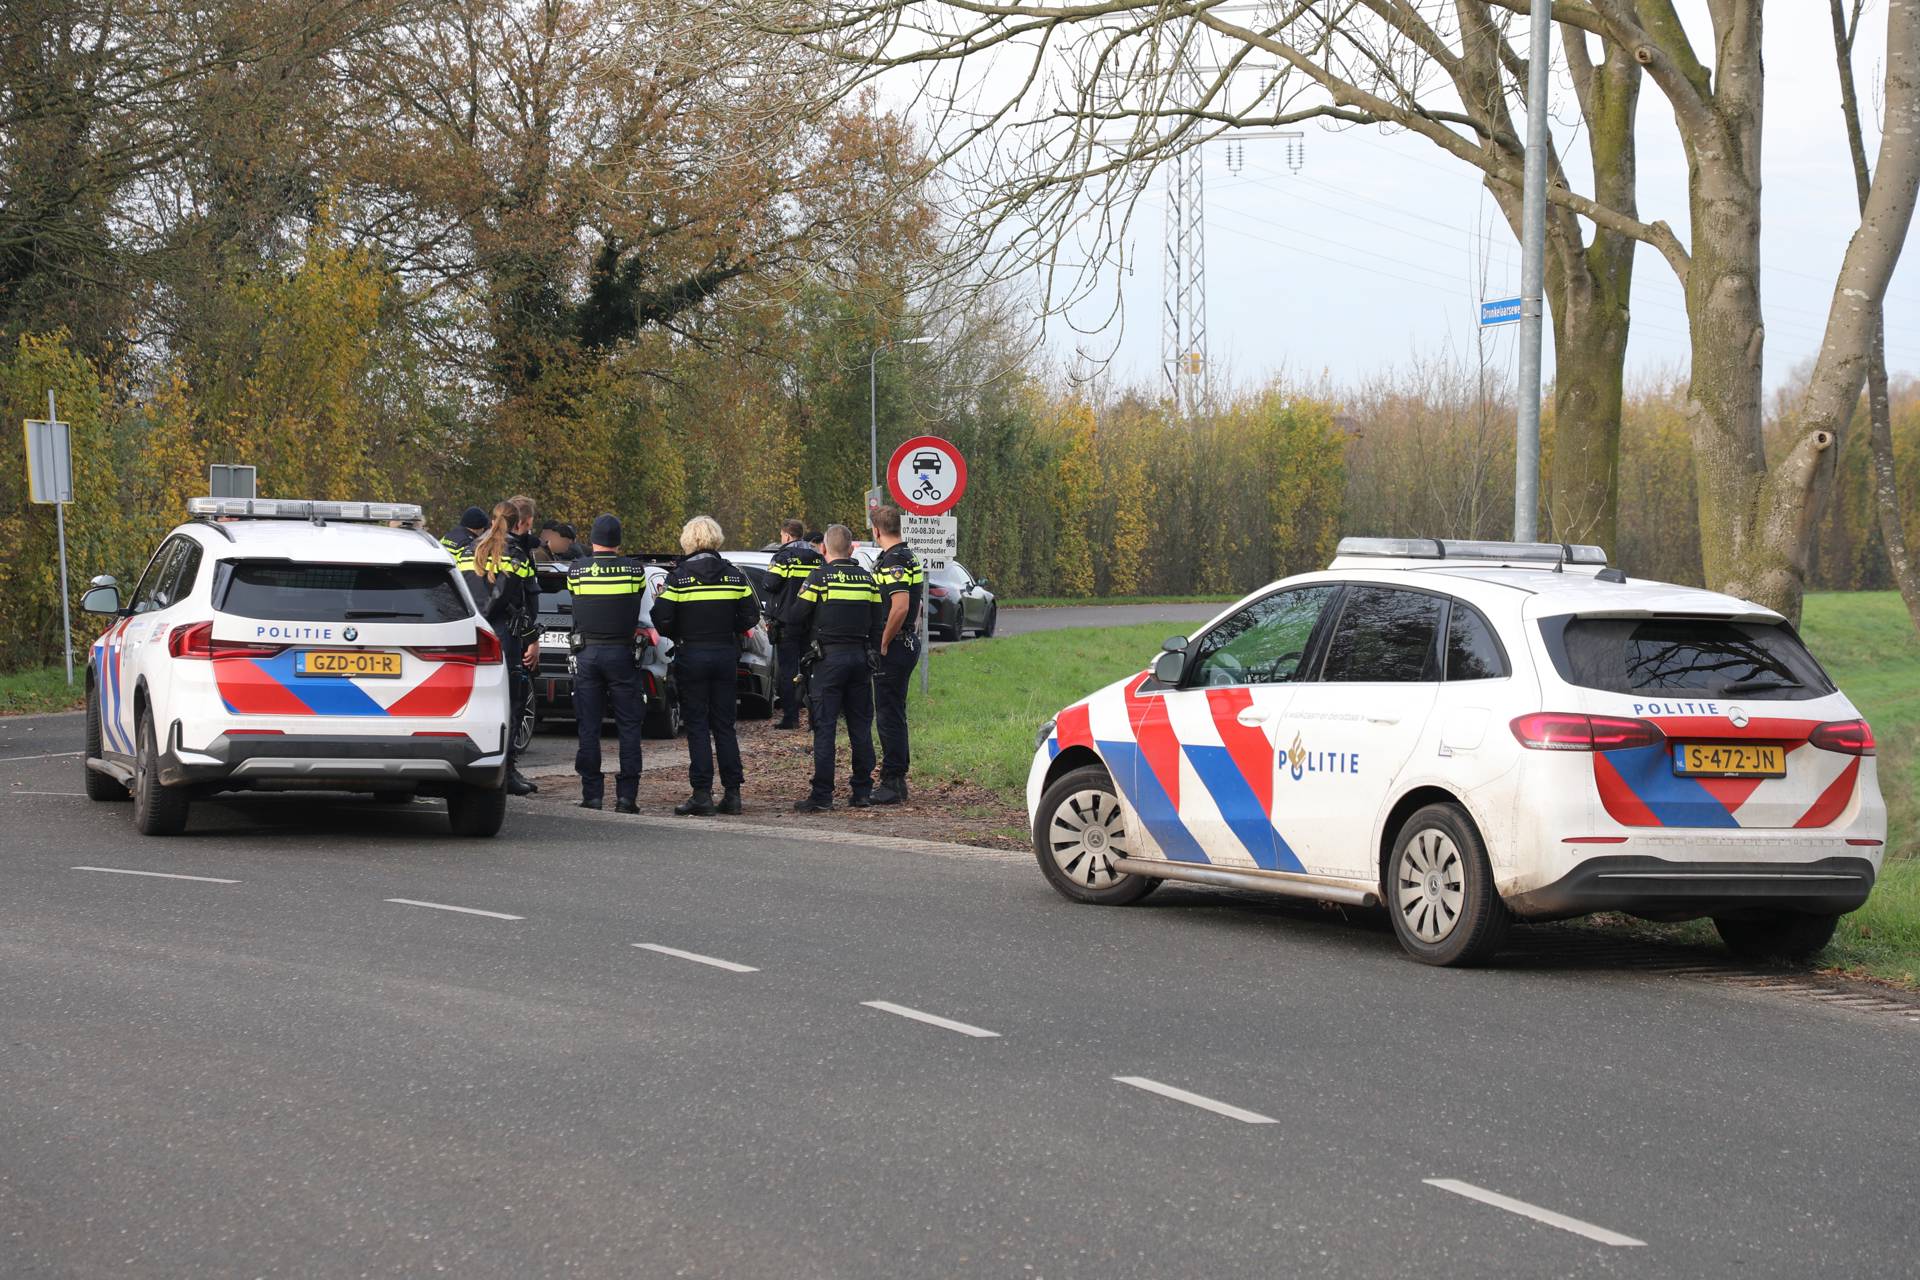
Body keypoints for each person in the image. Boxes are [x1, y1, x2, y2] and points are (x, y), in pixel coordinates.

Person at [652, 516, 759, 816]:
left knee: (697, 726)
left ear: (689, 541)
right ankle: (733, 794)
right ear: (716, 539)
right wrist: (730, 631)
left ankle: (702, 794)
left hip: (692, 655)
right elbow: (751, 616)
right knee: (725, 725)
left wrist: (680, 633)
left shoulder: (679, 577)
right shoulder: (734, 576)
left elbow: (661, 618)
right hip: (725, 655)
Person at [788, 523, 882, 812]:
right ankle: (863, 791)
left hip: (827, 661)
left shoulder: (818, 579)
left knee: (825, 727)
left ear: (824, 548)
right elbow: (878, 621)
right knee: (860, 726)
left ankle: (822, 795)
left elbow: (795, 616)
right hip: (859, 660)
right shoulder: (867, 580)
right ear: (852, 547)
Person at [566, 514, 649, 813]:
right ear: (619, 542)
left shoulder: (577, 570)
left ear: (592, 540)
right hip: (622, 654)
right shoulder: (634, 570)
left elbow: (576, 601)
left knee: (588, 726)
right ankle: (627, 797)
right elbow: (636, 598)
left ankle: (592, 795)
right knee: (629, 725)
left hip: (588, 654)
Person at [455, 502, 539, 796]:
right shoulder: (516, 555)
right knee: (510, 702)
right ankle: (508, 771)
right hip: (503, 634)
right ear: (518, 524)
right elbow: (522, 602)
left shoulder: (467, 550)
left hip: (469, 631)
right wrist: (532, 637)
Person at [868, 506, 923, 805]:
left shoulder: (893, 560)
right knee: (894, 712)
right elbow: (917, 603)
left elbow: (900, 605)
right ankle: (896, 778)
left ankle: (892, 781)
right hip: (907, 642)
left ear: (876, 531)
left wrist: (884, 643)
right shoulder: (908, 555)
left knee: (888, 715)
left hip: (895, 646)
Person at [765, 518, 823, 730]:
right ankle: (815, 719)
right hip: (811, 622)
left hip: (787, 622)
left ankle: (791, 718)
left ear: (787, 536)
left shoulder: (783, 557)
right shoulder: (817, 557)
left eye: (782, 535)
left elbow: (769, 584)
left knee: (788, 670)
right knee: (812, 670)